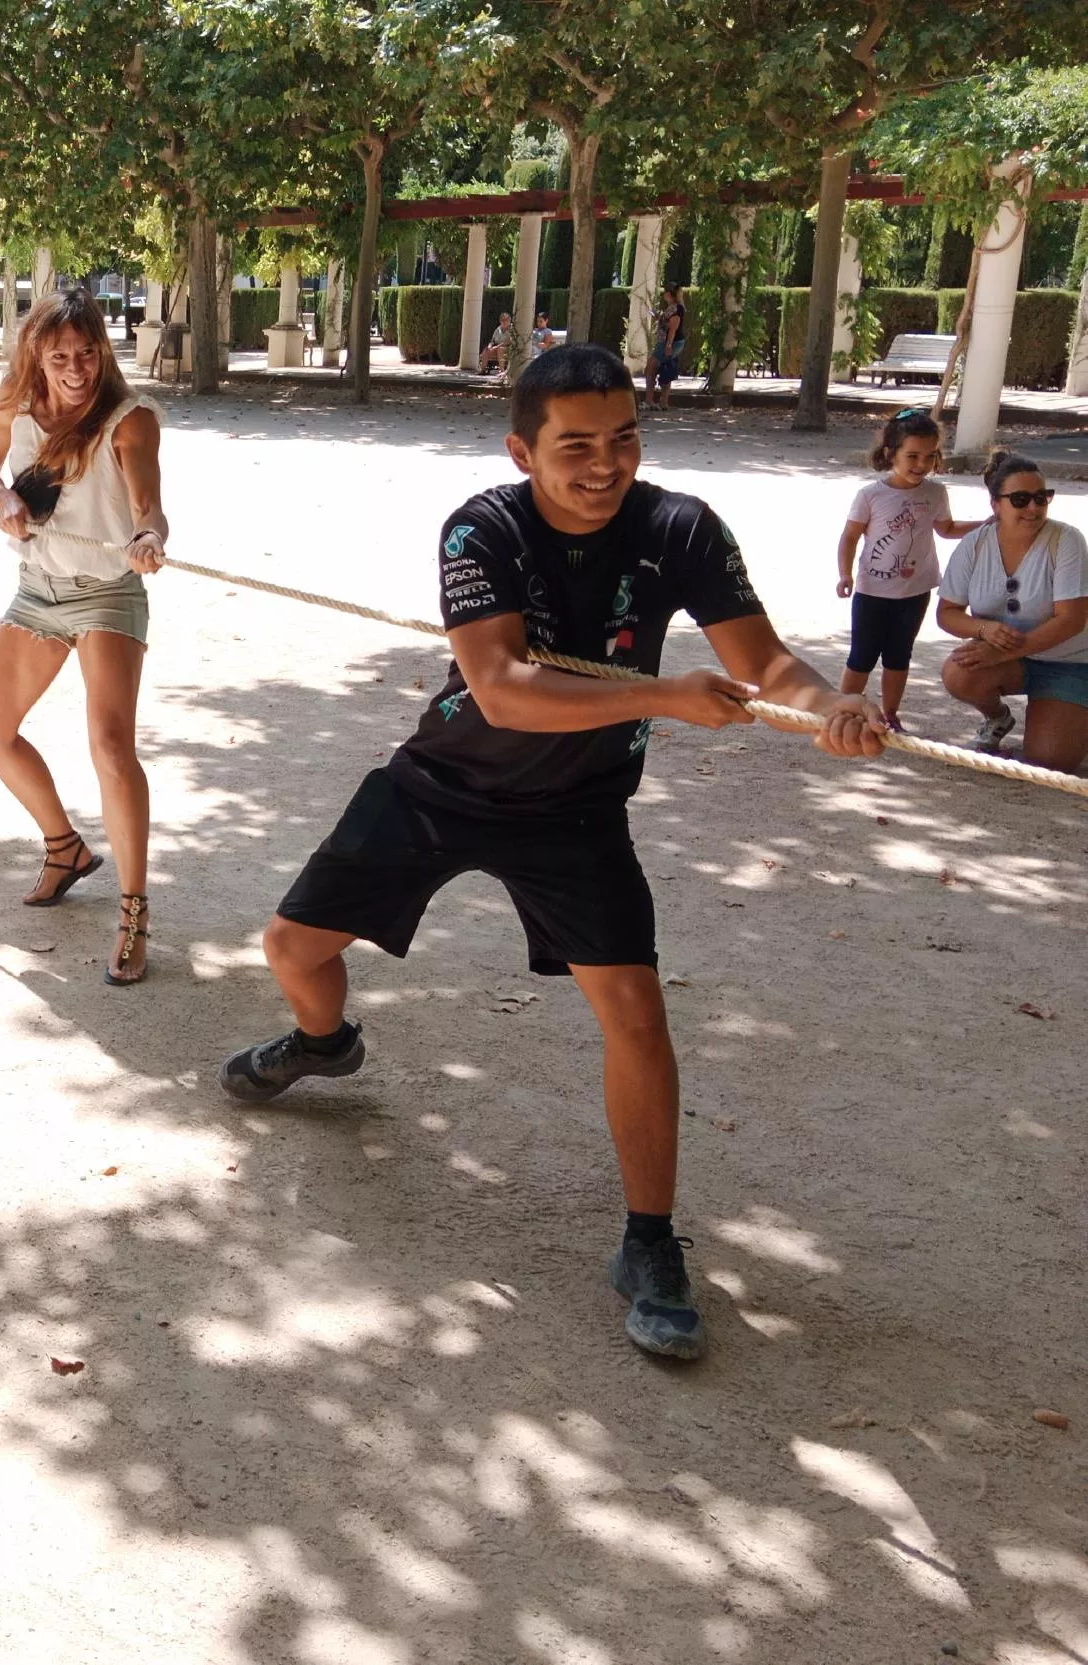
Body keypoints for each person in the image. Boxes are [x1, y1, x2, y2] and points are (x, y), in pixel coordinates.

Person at [218, 345, 888, 1362]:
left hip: (578, 809)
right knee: (291, 948)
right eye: (575, 445)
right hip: (440, 785)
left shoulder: (682, 529)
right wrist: (663, 694)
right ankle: (323, 1044)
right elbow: (501, 689)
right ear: (521, 450)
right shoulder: (482, 528)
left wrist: (828, 705)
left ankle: (651, 1242)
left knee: (635, 1013)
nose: (605, 463)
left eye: (623, 438)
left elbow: (765, 665)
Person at [0, 289, 167, 985]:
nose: (77, 367)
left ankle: (135, 910)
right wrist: (3, 499)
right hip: (39, 589)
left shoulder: (128, 417)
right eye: (60, 356)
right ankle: (65, 847)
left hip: (108, 589)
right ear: (36, 354)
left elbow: (149, 504)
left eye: (87, 353)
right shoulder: (15, 400)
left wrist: (147, 535)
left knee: (111, 749)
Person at [936, 453, 1088, 769]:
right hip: (1007, 656)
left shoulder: (1067, 539)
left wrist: (1001, 653)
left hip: (1069, 662)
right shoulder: (975, 544)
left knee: (1049, 761)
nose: (1033, 508)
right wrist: (983, 630)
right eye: (1020, 499)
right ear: (996, 505)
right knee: (959, 672)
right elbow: (947, 612)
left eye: (1041, 498)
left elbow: (1072, 619)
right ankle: (997, 718)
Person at [835, 408, 977, 732]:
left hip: (915, 591)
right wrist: (845, 573)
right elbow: (850, 536)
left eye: (929, 457)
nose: (921, 465)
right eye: (912, 455)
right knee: (862, 655)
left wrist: (987, 524)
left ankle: (890, 714)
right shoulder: (870, 495)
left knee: (899, 655)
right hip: (872, 591)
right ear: (891, 453)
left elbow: (947, 528)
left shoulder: (935, 493)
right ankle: (842, 707)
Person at [646, 285, 687, 409]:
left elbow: (673, 327)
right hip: (667, 342)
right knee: (666, 369)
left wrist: (668, 345)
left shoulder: (676, 308)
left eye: (665, 292)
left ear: (670, 294)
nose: (664, 294)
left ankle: (650, 400)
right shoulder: (672, 308)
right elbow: (668, 323)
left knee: (650, 368)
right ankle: (663, 402)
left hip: (669, 342)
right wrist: (659, 317)